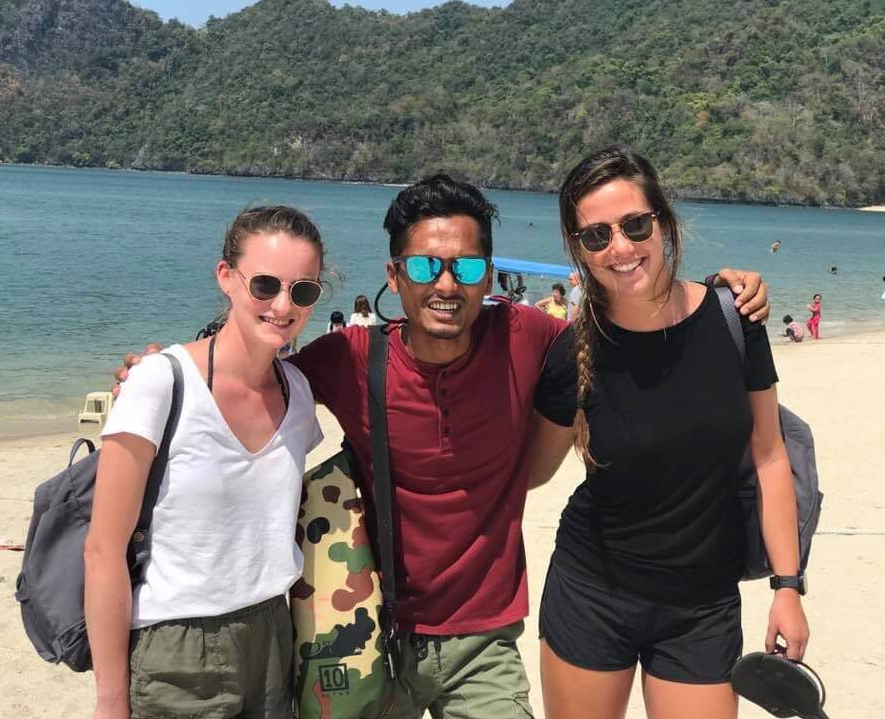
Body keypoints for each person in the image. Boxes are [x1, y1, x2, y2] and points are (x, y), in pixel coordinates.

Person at [114, 175, 771, 719]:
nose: (447, 285)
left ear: (489, 275)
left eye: (468, 266)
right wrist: (165, 367)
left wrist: (715, 292)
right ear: (395, 274)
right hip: (369, 635)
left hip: (485, 641)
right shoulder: (348, 359)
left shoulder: (530, 337)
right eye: (426, 266)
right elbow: (251, 368)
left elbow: (630, 317)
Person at [527, 147, 808, 719]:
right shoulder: (572, 354)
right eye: (596, 236)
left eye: (634, 225)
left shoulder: (735, 318)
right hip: (591, 592)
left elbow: (769, 455)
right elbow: (530, 472)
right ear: (578, 249)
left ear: (664, 222)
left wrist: (787, 586)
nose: (620, 248)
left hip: (703, 606)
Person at [86, 206, 325, 719]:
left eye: (303, 291)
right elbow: (103, 550)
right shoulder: (159, 381)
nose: (283, 305)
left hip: (273, 638)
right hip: (177, 647)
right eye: (265, 285)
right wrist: (110, 700)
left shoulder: (298, 394)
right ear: (226, 277)